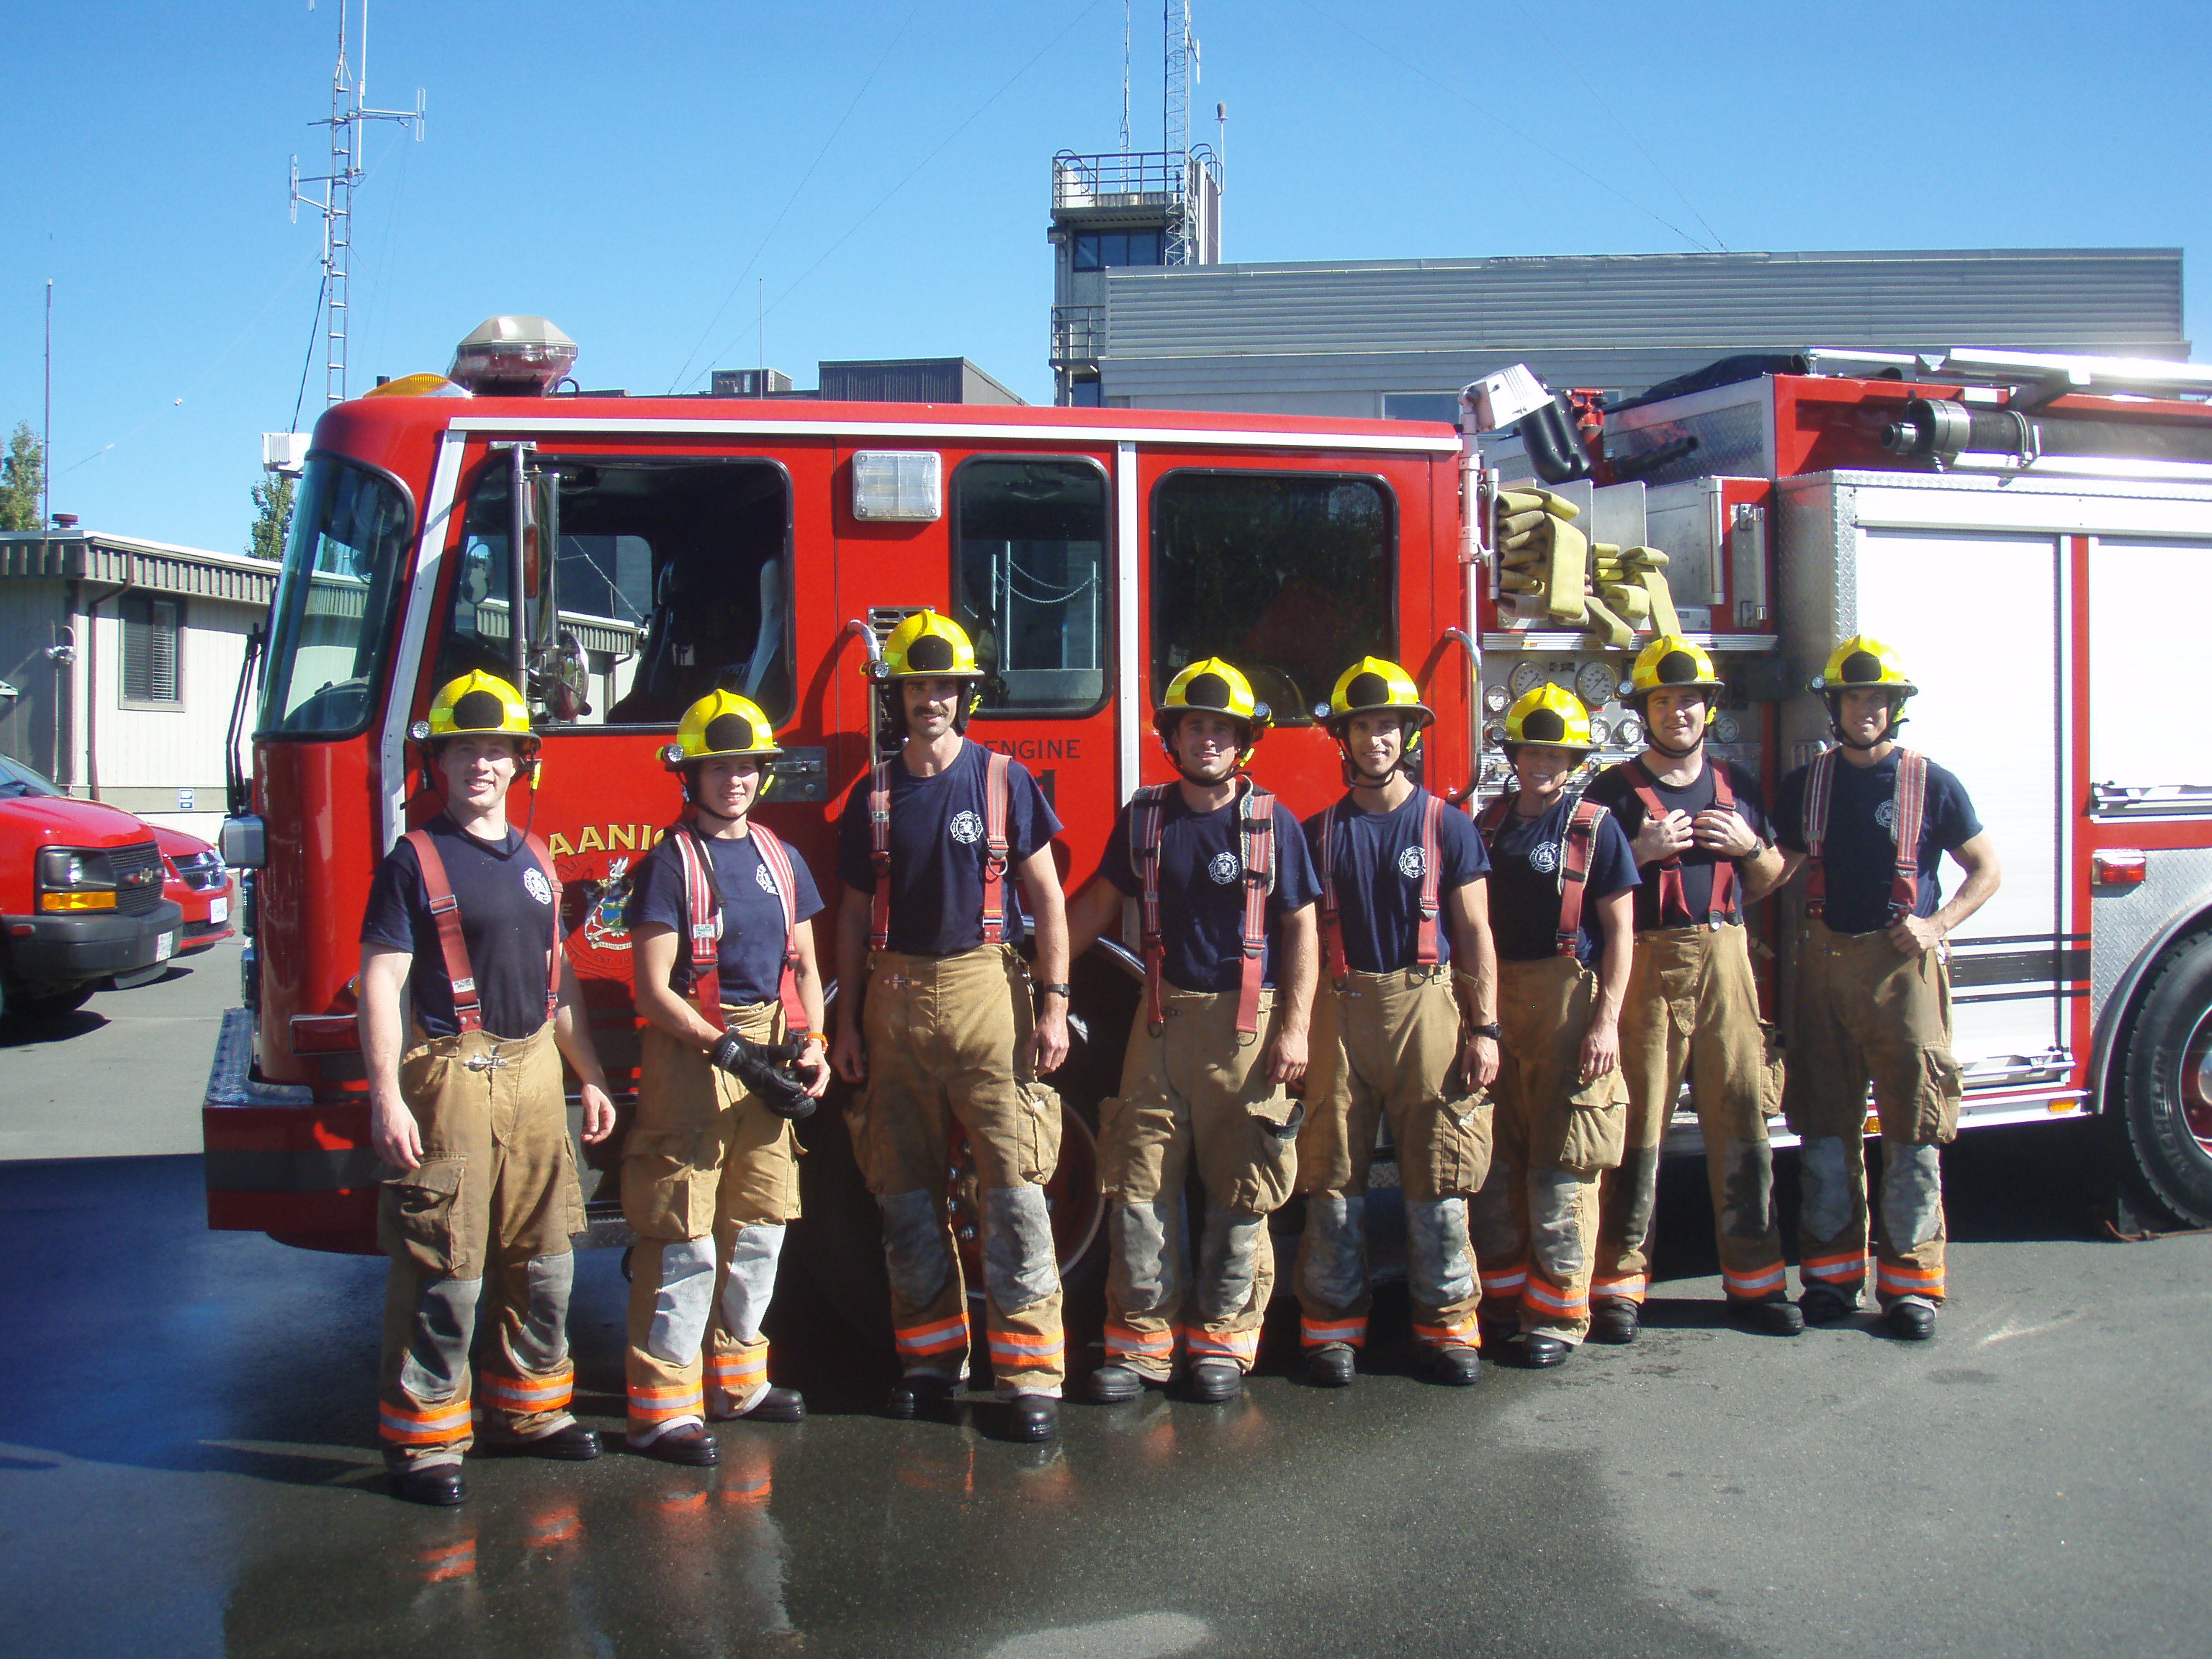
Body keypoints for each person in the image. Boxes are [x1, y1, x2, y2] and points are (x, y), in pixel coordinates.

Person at [358, 671, 616, 1506]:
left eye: (497, 751)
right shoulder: (413, 861)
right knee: (448, 1263)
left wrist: (593, 1078)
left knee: (544, 1258)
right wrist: (386, 1097)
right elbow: (380, 981)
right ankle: (427, 1441)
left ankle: (532, 1412)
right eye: (464, 750)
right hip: (452, 1079)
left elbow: (560, 979)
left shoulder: (538, 858)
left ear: (520, 765)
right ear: (438, 763)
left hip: (539, 1073)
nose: (481, 765)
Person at [830, 610, 1073, 1442]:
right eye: (914, 687)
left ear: (964, 697)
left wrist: (1055, 1002)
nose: (928, 701)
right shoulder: (876, 795)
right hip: (892, 999)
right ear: (894, 698)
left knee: (1013, 1191)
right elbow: (856, 916)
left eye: (943, 688)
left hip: (985, 994)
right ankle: (930, 1361)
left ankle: (1032, 1372)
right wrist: (849, 1026)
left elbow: (1048, 898)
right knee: (905, 1193)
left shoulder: (1004, 781)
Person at [1063, 659, 1320, 1404]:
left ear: (1244, 742)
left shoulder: (1274, 825)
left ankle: (1223, 1345)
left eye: (1222, 730)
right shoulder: (1146, 817)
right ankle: (1142, 1345)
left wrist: (1296, 1030)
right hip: (1162, 1023)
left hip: (1247, 1029)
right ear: (1173, 736)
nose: (1208, 740)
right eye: (1194, 726)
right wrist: (1037, 980)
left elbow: (1300, 931)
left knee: (1242, 1190)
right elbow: (1097, 907)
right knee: (1139, 1185)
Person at [620, 691, 828, 1465]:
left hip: (769, 1048)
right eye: (719, 768)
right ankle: (662, 1410)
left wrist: (813, 1044)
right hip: (695, 1054)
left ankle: (738, 1381)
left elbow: (805, 963)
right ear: (692, 777)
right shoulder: (669, 866)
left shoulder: (781, 858)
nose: (734, 780)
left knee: (760, 1227)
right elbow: (651, 989)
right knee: (682, 1234)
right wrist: (724, 1050)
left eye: (746, 767)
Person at [1773, 636, 2000, 1341]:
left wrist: (1937, 925)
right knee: (1824, 1129)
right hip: (1824, 966)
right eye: (1853, 698)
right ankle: (1832, 1278)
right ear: (1834, 706)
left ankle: (1912, 1286)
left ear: (1895, 709)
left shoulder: (1932, 783)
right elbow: (1777, 865)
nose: (1865, 710)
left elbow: (1986, 868)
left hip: (1905, 972)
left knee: (1913, 1130)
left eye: (1877, 700)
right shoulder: (1805, 785)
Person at [1583, 637, 1800, 1341]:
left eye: (1691, 701)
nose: (1679, 713)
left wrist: (1752, 849)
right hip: (1645, 962)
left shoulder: (1737, 786)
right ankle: (1618, 1283)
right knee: (1635, 1125)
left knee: (1741, 1119)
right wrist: (1637, 855)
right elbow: (1578, 897)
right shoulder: (1608, 794)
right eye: (1665, 700)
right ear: (1644, 709)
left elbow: (1768, 883)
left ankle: (1757, 1281)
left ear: (1709, 709)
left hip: (1726, 959)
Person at [1292, 657, 1500, 1388]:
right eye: (1363, 728)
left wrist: (1485, 1029)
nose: (1377, 740)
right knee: (1331, 1174)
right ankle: (1330, 1330)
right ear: (1341, 739)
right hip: (1341, 1011)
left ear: (1408, 735)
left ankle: (1447, 1328)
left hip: (1429, 1009)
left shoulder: (1449, 826)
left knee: (1440, 1173)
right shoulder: (1315, 835)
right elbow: (1302, 942)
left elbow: (1474, 934)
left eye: (1390, 727)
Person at [1468, 685, 1640, 1367]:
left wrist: (1607, 1023)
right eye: (1532, 750)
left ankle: (1561, 1311)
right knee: (1498, 1159)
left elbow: (1621, 934)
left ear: (1574, 759)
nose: (1542, 763)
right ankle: (1506, 1299)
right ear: (1514, 755)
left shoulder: (1597, 826)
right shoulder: (1485, 825)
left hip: (1571, 1003)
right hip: (1499, 1004)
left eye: (1555, 753)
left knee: (1563, 1163)